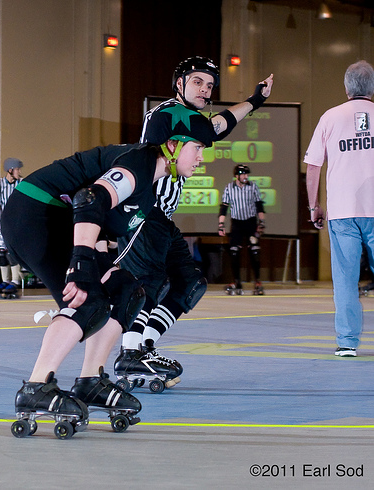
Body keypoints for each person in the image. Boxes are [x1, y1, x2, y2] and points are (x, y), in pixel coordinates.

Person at [1, 128, 210, 432]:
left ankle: (90, 381)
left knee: (126, 290)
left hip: (56, 219)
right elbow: (89, 199)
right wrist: (81, 263)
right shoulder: (139, 163)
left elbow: (100, 222)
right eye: (197, 148)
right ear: (173, 145)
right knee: (88, 298)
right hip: (35, 213)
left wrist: (98, 262)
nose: (201, 158)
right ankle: (36, 387)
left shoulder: (149, 186)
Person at [114, 56, 274, 385]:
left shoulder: (187, 118)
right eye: (198, 82)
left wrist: (255, 101)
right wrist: (254, 101)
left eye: (210, 85)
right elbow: (214, 128)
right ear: (180, 83)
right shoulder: (167, 113)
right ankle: (129, 354)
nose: (205, 89)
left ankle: (145, 347)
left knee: (190, 284)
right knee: (149, 282)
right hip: (144, 212)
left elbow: (215, 127)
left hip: (162, 219)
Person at [305, 59, 374, 357]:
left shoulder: (330, 117)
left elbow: (313, 166)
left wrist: (314, 206)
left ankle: (347, 342)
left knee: (345, 279)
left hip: (343, 212)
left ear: (346, 88)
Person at [218, 164, 266, 295]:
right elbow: (224, 207)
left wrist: (261, 222)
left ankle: (257, 281)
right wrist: (221, 224)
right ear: (237, 176)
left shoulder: (253, 187)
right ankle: (237, 281)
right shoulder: (229, 188)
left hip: (251, 222)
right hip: (237, 224)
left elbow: (259, 206)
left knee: (254, 251)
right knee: (234, 252)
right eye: (243, 174)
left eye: (247, 174)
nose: (246, 176)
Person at [0, 158, 24, 298]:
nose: (19, 172)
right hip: (2, 223)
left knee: (11, 253)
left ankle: (15, 281)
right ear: (10, 170)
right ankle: (5, 281)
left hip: (15, 224)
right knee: (1, 253)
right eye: (17, 169)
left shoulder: (22, 183)